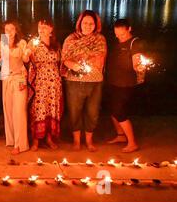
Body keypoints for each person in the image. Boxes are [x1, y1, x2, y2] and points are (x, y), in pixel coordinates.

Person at [61, 10, 107, 152]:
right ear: (80, 23)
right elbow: (64, 58)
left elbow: (100, 58)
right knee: (75, 111)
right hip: (74, 81)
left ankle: (89, 141)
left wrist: (86, 61)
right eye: (85, 23)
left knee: (92, 112)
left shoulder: (100, 39)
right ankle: (76, 141)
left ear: (96, 25)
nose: (88, 26)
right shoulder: (71, 39)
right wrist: (73, 64)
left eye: (91, 23)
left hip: (95, 81)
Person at [106, 19, 145, 152]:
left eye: (122, 34)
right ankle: (121, 135)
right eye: (116, 34)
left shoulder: (135, 43)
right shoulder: (118, 42)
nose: (119, 37)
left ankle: (132, 143)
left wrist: (139, 67)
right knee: (113, 111)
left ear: (129, 29)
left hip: (125, 84)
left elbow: (137, 62)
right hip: (113, 82)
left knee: (120, 112)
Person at [27, 19, 63, 151]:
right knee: (38, 111)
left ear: (51, 29)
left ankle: (49, 138)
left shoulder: (56, 44)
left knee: (51, 110)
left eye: (44, 27)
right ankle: (35, 141)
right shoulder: (33, 43)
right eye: (39, 27)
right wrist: (27, 53)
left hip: (54, 84)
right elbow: (26, 60)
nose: (41, 29)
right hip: (39, 83)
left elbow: (60, 63)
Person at [0, 20, 30, 154]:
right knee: (8, 110)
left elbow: (26, 60)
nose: (9, 32)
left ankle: (20, 144)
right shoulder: (1, 44)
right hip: (6, 79)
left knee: (19, 112)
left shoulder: (22, 43)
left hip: (19, 79)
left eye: (12, 29)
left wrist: (27, 54)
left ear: (16, 30)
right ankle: (11, 140)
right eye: (7, 30)